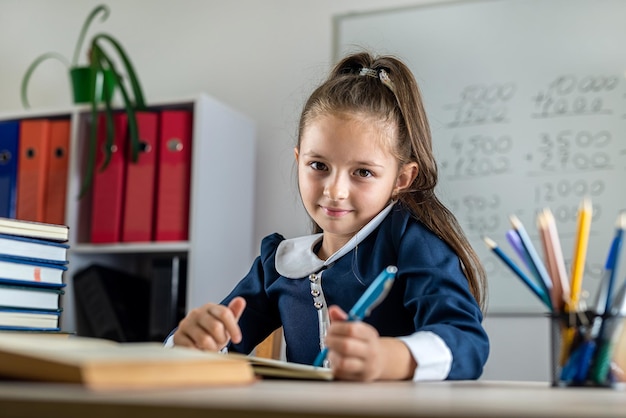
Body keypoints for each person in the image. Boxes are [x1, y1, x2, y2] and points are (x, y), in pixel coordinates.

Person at [168, 51, 490, 381]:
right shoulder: (277, 264)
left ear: (401, 179)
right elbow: (216, 347)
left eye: (363, 172)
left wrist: (386, 358)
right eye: (318, 166)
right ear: (298, 160)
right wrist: (193, 343)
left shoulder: (412, 242)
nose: (334, 191)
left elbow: (467, 342)